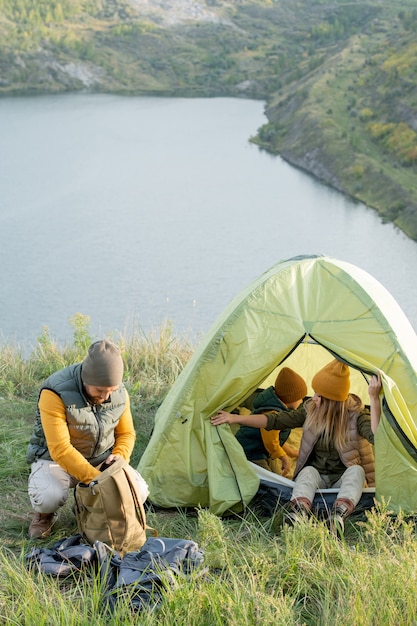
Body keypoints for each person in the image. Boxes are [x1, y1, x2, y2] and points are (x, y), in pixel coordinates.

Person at [211, 359, 383, 535]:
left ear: (332, 401)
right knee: (308, 471)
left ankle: (338, 515)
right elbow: (274, 420)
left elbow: (378, 437)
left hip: (342, 481)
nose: (313, 397)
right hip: (318, 479)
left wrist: (374, 399)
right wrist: (235, 419)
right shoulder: (311, 410)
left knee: (356, 471)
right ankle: (298, 513)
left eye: (318, 394)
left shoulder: (356, 416)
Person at [26, 339, 137, 540]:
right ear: (86, 379)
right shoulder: (55, 391)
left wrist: (119, 457)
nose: (105, 396)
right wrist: (97, 481)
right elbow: (60, 449)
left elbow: (127, 434)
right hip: (55, 460)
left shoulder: (119, 392)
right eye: (100, 390)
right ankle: (44, 516)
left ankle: (86, 506)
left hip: (101, 458)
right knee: (48, 497)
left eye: (110, 390)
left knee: (140, 490)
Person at [235, 367, 307, 477]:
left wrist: (291, 453)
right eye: (300, 398)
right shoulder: (272, 413)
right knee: (268, 479)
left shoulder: (280, 409)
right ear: (290, 397)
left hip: (262, 449)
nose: (302, 401)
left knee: (277, 474)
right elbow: (271, 442)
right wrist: (284, 457)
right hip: (249, 450)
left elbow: (276, 439)